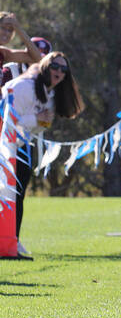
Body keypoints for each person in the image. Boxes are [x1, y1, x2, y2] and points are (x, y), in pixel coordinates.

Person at [1, 51, 84, 258]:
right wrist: (35, 119)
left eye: (63, 69)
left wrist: (38, 122)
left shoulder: (51, 96)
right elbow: (8, 123)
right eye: (55, 67)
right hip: (5, 146)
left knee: (17, 196)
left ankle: (12, 241)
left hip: (19, 147)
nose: (59, 71)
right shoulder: (22, 87)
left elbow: (33, 127)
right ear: (45, 68)